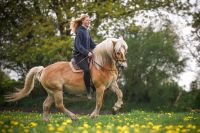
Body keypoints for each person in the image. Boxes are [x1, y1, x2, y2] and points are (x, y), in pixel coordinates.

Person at [70, 14, 96, 99]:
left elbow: (92, 44)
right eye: (87, 20)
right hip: (79, 56)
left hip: (86, 55)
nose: (89, 21)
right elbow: (78, 45)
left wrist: (100, 47)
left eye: (89, 20)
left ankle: (94, 86)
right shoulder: (80, 31)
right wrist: (86, 52)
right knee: (86, 70)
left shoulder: (87, 31)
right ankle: (88, 91)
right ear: (83, 21)